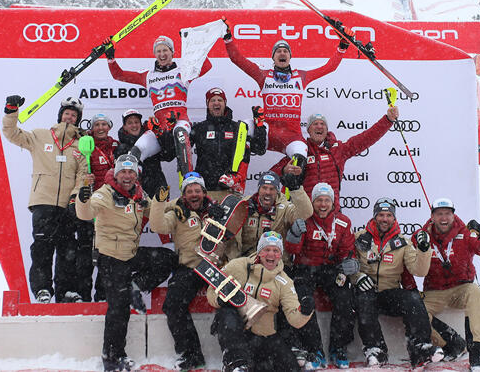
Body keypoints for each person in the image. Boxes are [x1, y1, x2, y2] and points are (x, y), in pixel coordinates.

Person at [75, 154, 173, 372]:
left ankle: (134, 287)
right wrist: (83, 199)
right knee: (118, 309)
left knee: (167, 259)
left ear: (136, 174)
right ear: (116, 174)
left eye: (131, 172)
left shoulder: (138, 194)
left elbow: (156, 215)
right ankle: (112, 358)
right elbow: (87, 212)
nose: (127, 176)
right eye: (123, 172)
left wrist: (163, 200)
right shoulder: (106, 192)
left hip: (130, 254)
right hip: (110, 258)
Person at [222, 20, 352, 183]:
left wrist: (343, 45)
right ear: (273, 57)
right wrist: (228, 38)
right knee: (243, 127)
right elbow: (237, 59)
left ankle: (290, 198)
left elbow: (329, 67)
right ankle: (236, 176)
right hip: (268, 131)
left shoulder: (301, 76)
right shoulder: (263, 75)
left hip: (292, 136)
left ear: (290, 57)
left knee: (300, 159)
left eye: (285, 51)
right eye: (278, 51)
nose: (282, 53)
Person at [1, 95, 86, 303]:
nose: (69, 117)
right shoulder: (41, 136)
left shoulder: (81, 144)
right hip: (43, 203)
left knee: (68, 250)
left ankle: (66, 291)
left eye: (74, 115)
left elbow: (83, 174)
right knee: (42, 248)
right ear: (60, 115)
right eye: (66, 113)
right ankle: (42, 290)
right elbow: (12, 134)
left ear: (78, 119)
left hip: (68, 206)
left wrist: (75, 198)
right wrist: (11, 111)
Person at [412, 198, 480, 372]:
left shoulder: (466, 233)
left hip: (462, 288)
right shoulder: (422, 235)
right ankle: (452, 343)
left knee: (475, 293)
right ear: (432, 216)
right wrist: (418, 243)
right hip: (434, 291)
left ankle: (476, 352)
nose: (443, 218)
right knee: (413, 308)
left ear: (453, 215)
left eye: (447, 213)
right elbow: (413, 266)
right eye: (439, 214)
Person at [352, 198, 443, 367]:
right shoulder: (359, 238)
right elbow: (348, 264)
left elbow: (419, 271)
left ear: (394, 218)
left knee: (413, 299)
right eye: (380, 215)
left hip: (389, 294)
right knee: (364, 299)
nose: (384, 219)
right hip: (366, 293)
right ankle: (375, 350)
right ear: (374, 216)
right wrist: (357, 277)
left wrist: (424, 250)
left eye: (388, 215)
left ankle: (421, 346)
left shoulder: (403, 243)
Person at [106, 35, 213, 176]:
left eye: (165, 50)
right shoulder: (148, 76)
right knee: (136, 151)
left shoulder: (183, 72)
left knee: (180, 135)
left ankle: (188, 178)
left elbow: (207, 66)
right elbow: (118, 75)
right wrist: (110, 58)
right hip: (160, 127)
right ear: (155, 54)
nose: (162, 54)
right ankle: (132, 187)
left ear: (172, 52)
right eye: (159, 51)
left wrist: (193, 45)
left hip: (180, 122)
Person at [149, 172, 225, 370]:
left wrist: (223, 220)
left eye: (197, 190)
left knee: (233, 304)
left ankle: (235, 356)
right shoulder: (177, 211)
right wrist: (161, 202)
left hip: (216, 267)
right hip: (190, 267)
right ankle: (191, 355)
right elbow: (158, 226)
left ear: (204, 192)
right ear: (184, 195)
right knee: (172, 305)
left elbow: (235, 236)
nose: (194, 194)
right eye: (189, 191)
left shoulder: (218, 208)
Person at [208, 231, 313, 372]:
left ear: (280, 255)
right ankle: (236, 363)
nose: (271, 255)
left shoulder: (284, 281)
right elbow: (212, 289)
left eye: (276, 251)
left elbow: (294, 318)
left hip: (265, 337)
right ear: (259, 252)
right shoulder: (238, 266)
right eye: (267, 250)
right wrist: (219, 299)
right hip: (239, 336)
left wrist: (305, 312)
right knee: (226, 313)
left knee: (291, 368)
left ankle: (255, 364)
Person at [284, 183, 356, 369]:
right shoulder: (304, 219)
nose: (322, 204)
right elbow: (292, 251)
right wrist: (293, 235)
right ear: (312, 202)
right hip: (304, 269)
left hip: (330, 270)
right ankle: (314, 349)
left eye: (326, 200)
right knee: (304, 300)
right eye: (318, 200)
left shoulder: (343, 222)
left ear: (332, 203)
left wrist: (350, 263)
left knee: (345, 298)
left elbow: (347, 251)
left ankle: (338, 347)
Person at [272, 110, 397, 210]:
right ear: (309, 130)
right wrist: (284, 170)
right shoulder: (300, 150)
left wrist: (387, 120)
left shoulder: (338, 150)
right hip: (305, 211)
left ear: (326, 130)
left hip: (331, 211)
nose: (319, 126)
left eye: (322, 124)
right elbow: (272, 175)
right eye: (315, 124)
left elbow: (366, 138)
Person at [71, 113, 119, 302]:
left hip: (109, 208)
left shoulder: (116, 147)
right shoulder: (84, 147)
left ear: (109, 127)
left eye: (104, 124)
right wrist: (85, 181)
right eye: (97, 124)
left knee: (106, 253)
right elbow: (74, 172)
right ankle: (83, 295)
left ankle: (102, 295)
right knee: (85, 252)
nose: (100, 128)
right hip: (90, 205)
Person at [190, 87, 267, 202]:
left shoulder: (237, 128)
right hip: (205, 191)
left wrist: (260, 126)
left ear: (225, 103)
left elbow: (259, 149)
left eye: (220, 100)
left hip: (230, 190)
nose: (216, 103)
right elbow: (179, 152)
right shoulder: (199, 128)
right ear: (207, 104)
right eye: (212, 100)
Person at [236, 171, 313, 258]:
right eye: (264, 188)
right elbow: (233, 241)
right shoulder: (244, 205)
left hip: (276, 263)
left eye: (272, 189)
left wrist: (296, 189)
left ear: (277, 191)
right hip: (248, 262)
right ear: (258, 189)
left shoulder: (285, 208)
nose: (268, 192)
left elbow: (306, 213)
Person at [114, 109, 175, 197]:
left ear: (141, 124)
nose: (134, 125)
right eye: (130, 123)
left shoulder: (151, 138)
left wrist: (161, 134)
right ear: (125, 127)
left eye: (136, 122)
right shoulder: (121, 148)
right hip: (135, 191)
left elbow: (168, 156)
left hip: (157, 186)